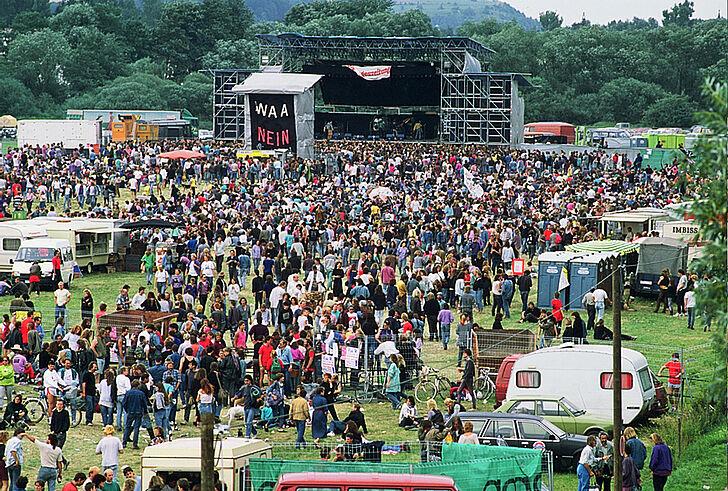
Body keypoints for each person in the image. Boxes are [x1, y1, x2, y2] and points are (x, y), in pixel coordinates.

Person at [121, 380, 148, 450]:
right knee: (136, 428)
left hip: (130, 411)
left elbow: (124, 403)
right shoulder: (141, 393)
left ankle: (124, 443)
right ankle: (135, 444)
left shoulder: (128, 393)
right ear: (138, 385)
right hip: (139, 412)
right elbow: (144, 404)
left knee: (127, 427)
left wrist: (127, 410)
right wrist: (145, 411)